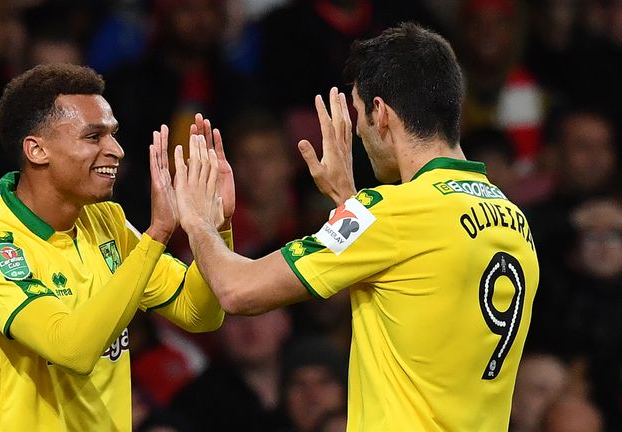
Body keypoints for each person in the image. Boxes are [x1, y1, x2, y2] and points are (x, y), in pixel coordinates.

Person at [173, 23, 539, 431]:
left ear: (381, 113)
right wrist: (348, 201)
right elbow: (416, 291)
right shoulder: (513, 218)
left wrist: (198, 220)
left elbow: (237, 290)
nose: (360, 132)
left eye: (359, 114)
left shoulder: (389, 213)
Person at [0, 63, 232, 431]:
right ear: (37, 150)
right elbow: (72, 349)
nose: (116, 150)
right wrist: (157, 234)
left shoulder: (107, 222)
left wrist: (213, 228)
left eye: (113, 135)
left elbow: (201, 313)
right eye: (93, 137)